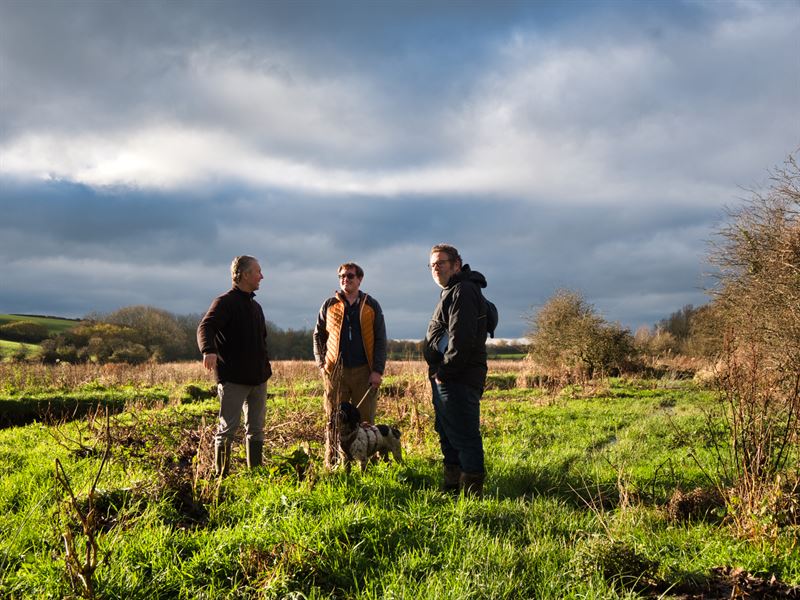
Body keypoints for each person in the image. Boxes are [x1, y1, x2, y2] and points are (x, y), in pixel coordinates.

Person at [197, 255, 272, 477]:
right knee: (227, 430)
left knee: (256, 430)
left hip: (258, 379)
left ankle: (255, 475)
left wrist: (265, 369)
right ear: (245, 274)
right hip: (233, 379)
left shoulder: (256, 307)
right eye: (258, 271)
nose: (262, 276)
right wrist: (208, 350)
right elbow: (205, 327)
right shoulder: (224, 302)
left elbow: (262, 340)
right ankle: (222, 476)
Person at [423, 244, 489, 497]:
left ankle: (472, 496)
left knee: (464, 436)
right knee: (448, 434)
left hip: (458, 379)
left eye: (441, 262)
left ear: (457, 264)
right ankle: (451, 489)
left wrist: (444, 373)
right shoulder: (452, 291)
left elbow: (462, 340)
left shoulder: (463, 290)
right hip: (449, 379)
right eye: (432, 264)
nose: (435, 267)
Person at [313, 262, 387, 469]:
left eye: (350, 276)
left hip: (365, 371)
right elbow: (318, 336)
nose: (346, 279)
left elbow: (381, 339)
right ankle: (333, 462)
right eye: (342, 276)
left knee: (365, 419)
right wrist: (321, 364)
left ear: (360, 279)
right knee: (333, 419)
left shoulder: (371, 305)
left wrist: (377, 371)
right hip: (335, 372)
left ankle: (368, 463)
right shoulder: (329, 305)